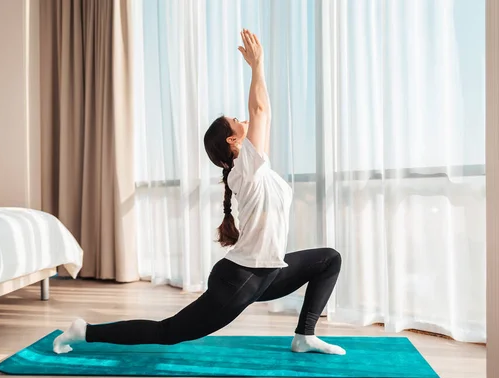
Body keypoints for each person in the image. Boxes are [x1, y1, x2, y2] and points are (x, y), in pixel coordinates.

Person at [53, 29, 345, 356]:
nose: (245, 119)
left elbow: (263, 116)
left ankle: (304, 335)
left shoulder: (256, 167)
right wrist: (257, 66)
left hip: (268, 272)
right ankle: (84, 331)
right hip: (241, 279)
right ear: (234, 143)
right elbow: (262, 111)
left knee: (328, 260)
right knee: (169, 332)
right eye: (237, 120)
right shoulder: (244, 170)